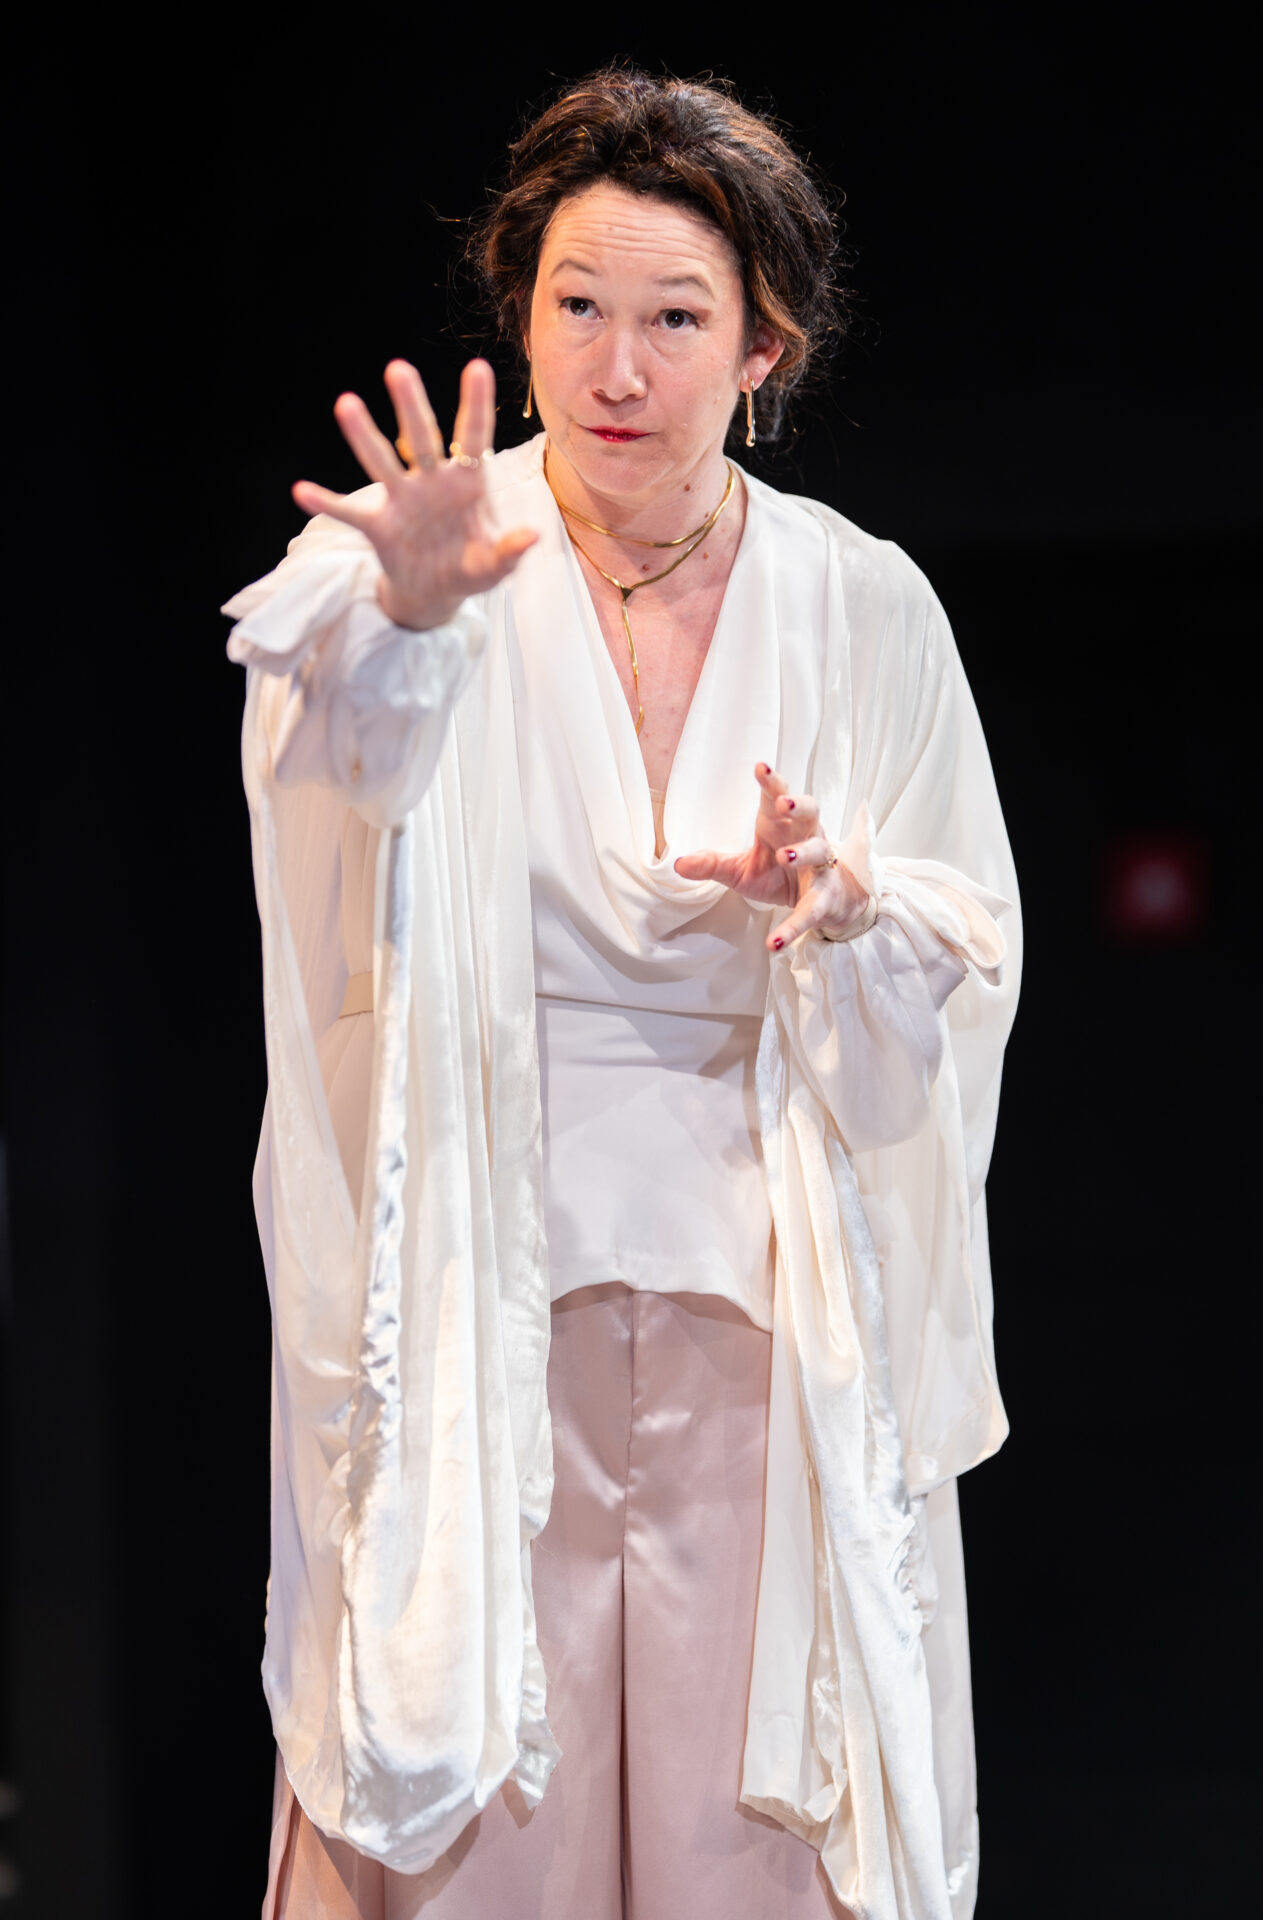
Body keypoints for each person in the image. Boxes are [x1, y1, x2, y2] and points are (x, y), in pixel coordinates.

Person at [224, 68, 1021, 1920]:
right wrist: (408, 622)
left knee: (758, 1846)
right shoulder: (426, 545)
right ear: (521, 315)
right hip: (483, 1302)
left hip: (764, 1316)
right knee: (472, 1822)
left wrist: (842, 902)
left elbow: (965, 940)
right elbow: (332, 780)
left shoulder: (861, 602)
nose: (616, 365)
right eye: (576, 304)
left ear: (761, 350)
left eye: (674, 319)